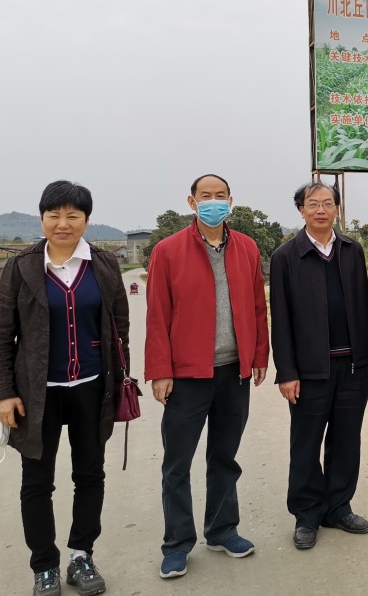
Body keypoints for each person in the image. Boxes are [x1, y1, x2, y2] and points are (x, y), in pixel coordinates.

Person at [0, 180, 130, 596]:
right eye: (54, 215)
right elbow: (0, 337)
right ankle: (44, 566)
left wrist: (120, 377)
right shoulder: (21, 267)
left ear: (86, 219)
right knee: (37, 482)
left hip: (92, 389)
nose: (63, 223)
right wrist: (3, 393)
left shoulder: (104, 264)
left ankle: (81, 556)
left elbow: (119, 327)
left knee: (90, 475)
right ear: (42, 218)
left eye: (73, 215)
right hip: (38, 395)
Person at [145, 174, 269, 579]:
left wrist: (258, 356)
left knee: (224, 457)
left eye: (220, 196)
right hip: (187, 375)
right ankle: (177, 544)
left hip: (234, 372)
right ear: (191, 202)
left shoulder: (247, 248)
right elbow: (157, 314)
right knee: (177, 464)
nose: (213, 202)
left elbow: (257, 307)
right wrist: (160, 370)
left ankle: (222, 529)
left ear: (230, 201)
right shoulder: (167, 250)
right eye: (205, 196)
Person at [269, 182, 368, 551]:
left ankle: (338, 507)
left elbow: (363, 307)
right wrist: (287, 371)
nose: (320, 210)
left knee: (346, 441)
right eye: (312, 204)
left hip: (352, 367)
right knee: (306, 444)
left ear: (336, 209)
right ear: (301, 210)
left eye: (327, 203)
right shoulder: (286, 256)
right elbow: (280, 319)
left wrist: (365, 359)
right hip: (309, 370)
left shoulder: (352, 250)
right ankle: (307, 514)